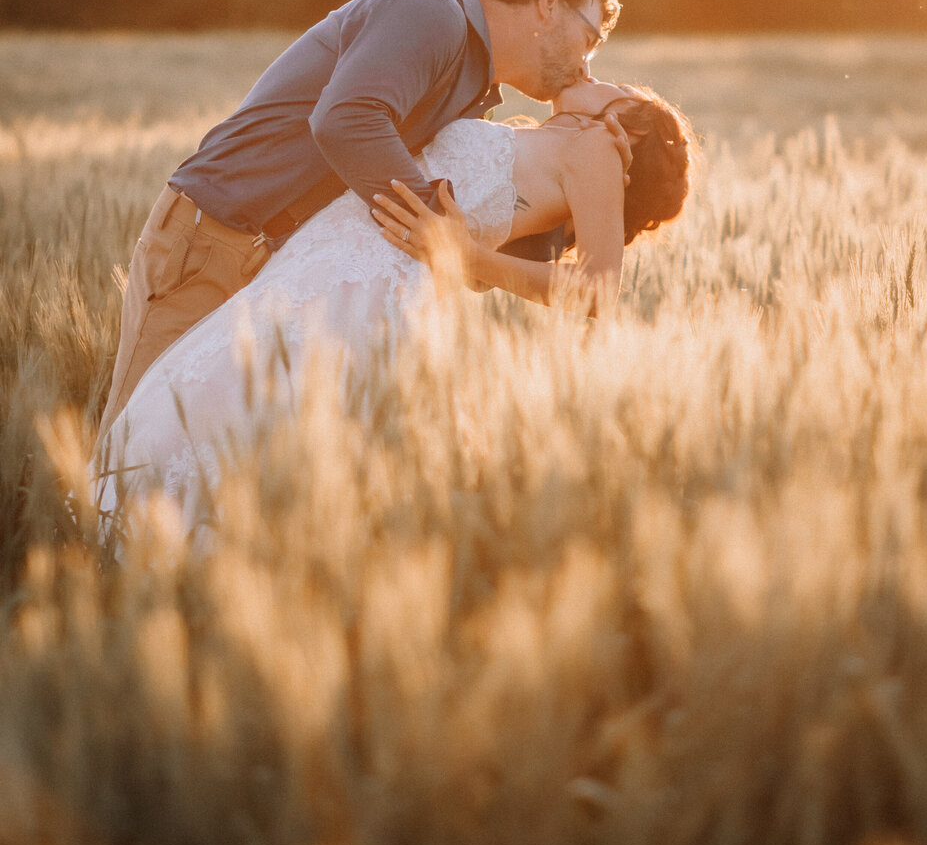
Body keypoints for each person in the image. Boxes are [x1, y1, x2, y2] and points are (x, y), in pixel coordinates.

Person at [92, 74, 692, 536]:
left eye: (621, 90)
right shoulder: (549, 138)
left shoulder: (599, 149)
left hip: (369, 285)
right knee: (221, 399)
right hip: (317, 263)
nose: (601, 75)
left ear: (630, 127)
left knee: (258, 415)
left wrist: (467, 256)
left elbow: (597, 289)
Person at [95, 0, 624, 449]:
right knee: (133, 446)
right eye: (591, 38)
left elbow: (466, 258)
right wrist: (439, 226)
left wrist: (612, 148)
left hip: (275, 271)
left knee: (209, 454)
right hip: (213, 238)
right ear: (548, 3)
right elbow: (347, 119)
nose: (586, 64)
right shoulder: (429, 13)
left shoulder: (473, 90)